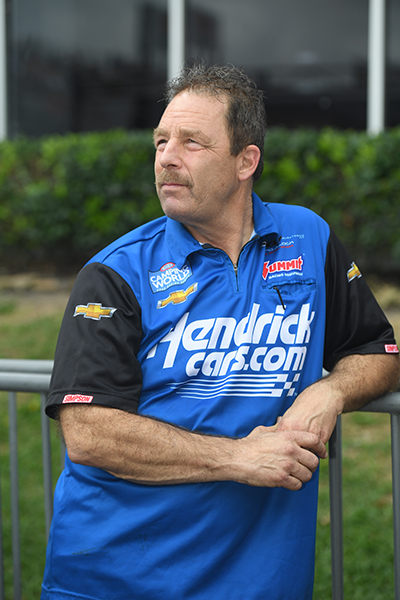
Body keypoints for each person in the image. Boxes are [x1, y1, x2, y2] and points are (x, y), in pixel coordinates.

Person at [41, 64, 399, 600]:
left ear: (245, 161)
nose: (166, 156)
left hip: (263, 582)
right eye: (161, 140)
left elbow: (378, 350)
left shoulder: (309, 238)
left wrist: (331, 391)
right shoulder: (116, 272)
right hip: (117, 579)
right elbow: (90, 432)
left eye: (192, 142)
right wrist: (238, 458)